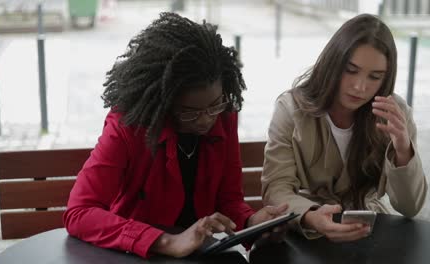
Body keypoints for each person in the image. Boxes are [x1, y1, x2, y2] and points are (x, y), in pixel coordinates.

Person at [63, 12, 288, 259]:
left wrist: (252, 221)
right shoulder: (128, 125)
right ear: (164, 102)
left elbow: (228, 199)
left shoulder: (224, 117)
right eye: (190, 112)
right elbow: (79, 212)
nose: (206, 120)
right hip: (138, 255)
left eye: (214, 105)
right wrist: (168, 241)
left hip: (200, 254)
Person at [261, 14, 427, 242]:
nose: (360, 86)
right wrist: (310, 216)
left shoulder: (394, 114)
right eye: (351, 70)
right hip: (308, 231)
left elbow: (410, 207)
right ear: (333, 63)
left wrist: (403, 150)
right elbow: (277, 188)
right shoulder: (291, 108)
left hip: (370, 228)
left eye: (375, 77)